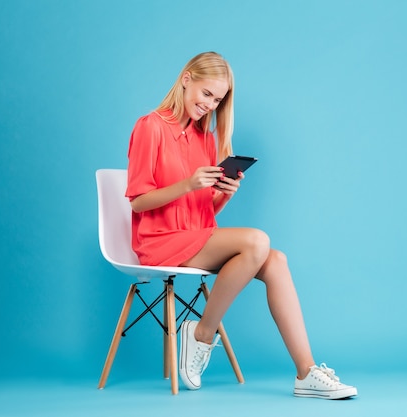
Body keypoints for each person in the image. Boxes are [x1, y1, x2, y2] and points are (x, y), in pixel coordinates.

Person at [125, 51, 357, 400]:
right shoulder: (150, 126)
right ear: (186, 78)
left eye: (217, 100)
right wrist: (188, 183)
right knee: (256, 240)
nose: (209, 105)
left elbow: (203, 213)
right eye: (207, 94)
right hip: (159, 241)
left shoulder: (206, 138)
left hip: (194, 237)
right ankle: (202, 333)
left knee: (275, 260)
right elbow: (138, 201)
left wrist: (224, 194)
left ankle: (306, 372)